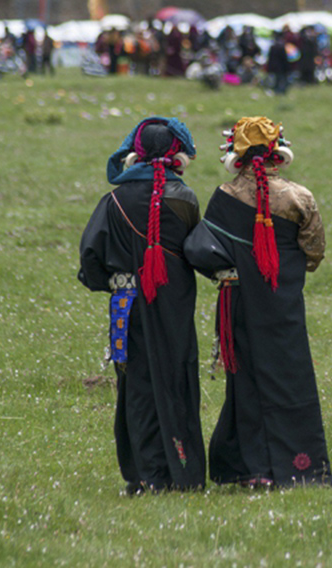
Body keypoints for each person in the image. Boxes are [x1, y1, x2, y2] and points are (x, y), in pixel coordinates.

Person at [184, 116, 332, 489]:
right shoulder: (301, 197)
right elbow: (314, 253)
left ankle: (251, 469)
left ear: (236, 153)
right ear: (278, 153)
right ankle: (299, 466)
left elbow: (200, 250)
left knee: (246, 381)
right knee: (290, 378)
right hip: (282, 305)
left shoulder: (223, 196)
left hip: (238, 302)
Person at [78, 117, 206, 494]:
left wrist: (110, 283)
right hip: (173, 302)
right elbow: (195, 248)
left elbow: (90, 255)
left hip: (125, 303)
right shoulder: (184, 198)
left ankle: (144, 475)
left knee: (134, 382)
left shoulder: (113, 199)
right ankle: (182, 472)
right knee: (175, 375)